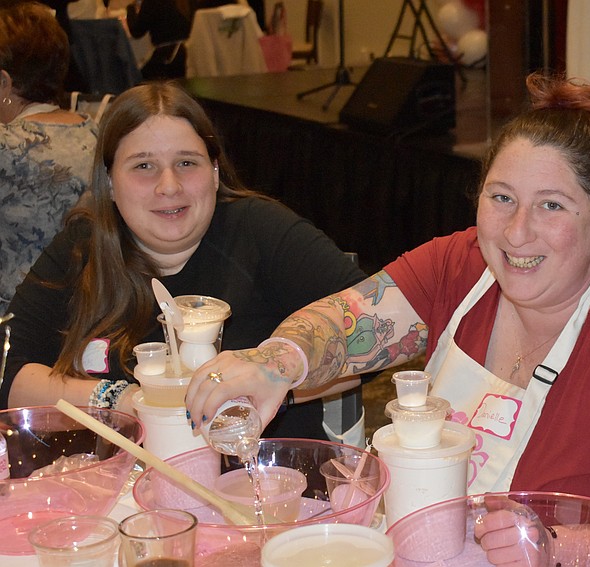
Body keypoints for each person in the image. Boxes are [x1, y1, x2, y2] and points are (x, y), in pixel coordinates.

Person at [186, 73, 590, 504]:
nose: (516, 232)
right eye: (501, 198)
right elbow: (344, 322)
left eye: (552, 205)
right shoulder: (461, 264)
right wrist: (276, 362)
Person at [1, 81, 365, 442]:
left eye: (186, 162)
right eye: (144, 166)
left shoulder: (263, 231)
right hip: (121, 486)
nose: (169, 186)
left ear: (215, 171)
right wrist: (127, 401)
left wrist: (271, 383)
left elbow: (367, 334)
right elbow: (12, 378)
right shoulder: (83, 245)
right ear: (109, 182)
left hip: (262, 482)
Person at [0, 2, 99, 315]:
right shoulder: (95, 130)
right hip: (89, 310)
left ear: (4, 82)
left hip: (15, 320)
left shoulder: (7, 146)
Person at [125, 0, 191, 80]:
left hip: (165, 55)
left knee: (137, 80)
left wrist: (130, 8)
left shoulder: (152, 2)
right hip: (186, 51)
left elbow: (137, 31)